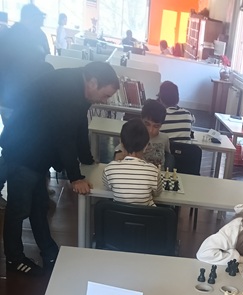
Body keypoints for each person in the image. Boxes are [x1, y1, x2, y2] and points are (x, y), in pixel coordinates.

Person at [0, 61, 119, 275]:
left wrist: (87, 159)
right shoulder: (67, 90)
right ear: (93, 82)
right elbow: (65, 138)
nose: (105, 100)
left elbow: (80, 125)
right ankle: (14, 258)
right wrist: (75, 178)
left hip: (37, 153)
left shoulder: (80, 88)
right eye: (105, 95)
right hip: (23, 151)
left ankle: (49, 252)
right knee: (19, 209)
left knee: (39, 206)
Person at [103, 118, 165, 206]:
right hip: (147, 214)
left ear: (121, 143)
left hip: (118, 214)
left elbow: (108, 187)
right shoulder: (153, 171)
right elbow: (157, 193)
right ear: (146, 146)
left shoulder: (109, 169)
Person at [0, 4, 50, 110]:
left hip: (6, 97)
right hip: (19, 98)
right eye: (36, 22)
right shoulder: (26, 40)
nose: (38, 26)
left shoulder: (7, 34)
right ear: (29, 19)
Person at [114, 99, 173, 170]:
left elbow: (168, 157)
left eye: (156, 126)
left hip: (158, 174)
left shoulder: (164, 138)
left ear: (161, 125)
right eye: (147, 124)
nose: (150, 130)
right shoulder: (134, 135)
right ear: (141, 120)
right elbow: (120, 149)